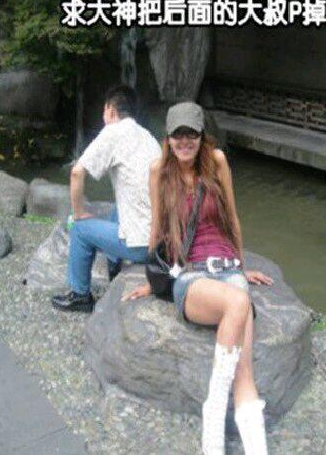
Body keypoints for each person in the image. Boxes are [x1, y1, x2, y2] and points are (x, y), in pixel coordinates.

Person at [123, 101, 273, 454]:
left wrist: (241, 265)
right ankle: (214, 409)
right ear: (168, 138)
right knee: (239, 301)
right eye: (178, 135)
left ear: (202, 136)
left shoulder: (217, 162)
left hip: (229, 270)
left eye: (191, 134)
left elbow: (232, 218)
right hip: (191, 276)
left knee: (245, 374)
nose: (184, 141)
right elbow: (157, 228)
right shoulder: (159, 171)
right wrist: (153, 280)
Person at [52, 85, 161, 312]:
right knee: (117, 210)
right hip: (160, 240)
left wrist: (78, 214)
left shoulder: (113, 131)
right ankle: (114, 268)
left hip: (142, 244)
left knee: (80, 229)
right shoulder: (148, 136)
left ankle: (80, 295)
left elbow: (76, 173)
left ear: (110, 110)